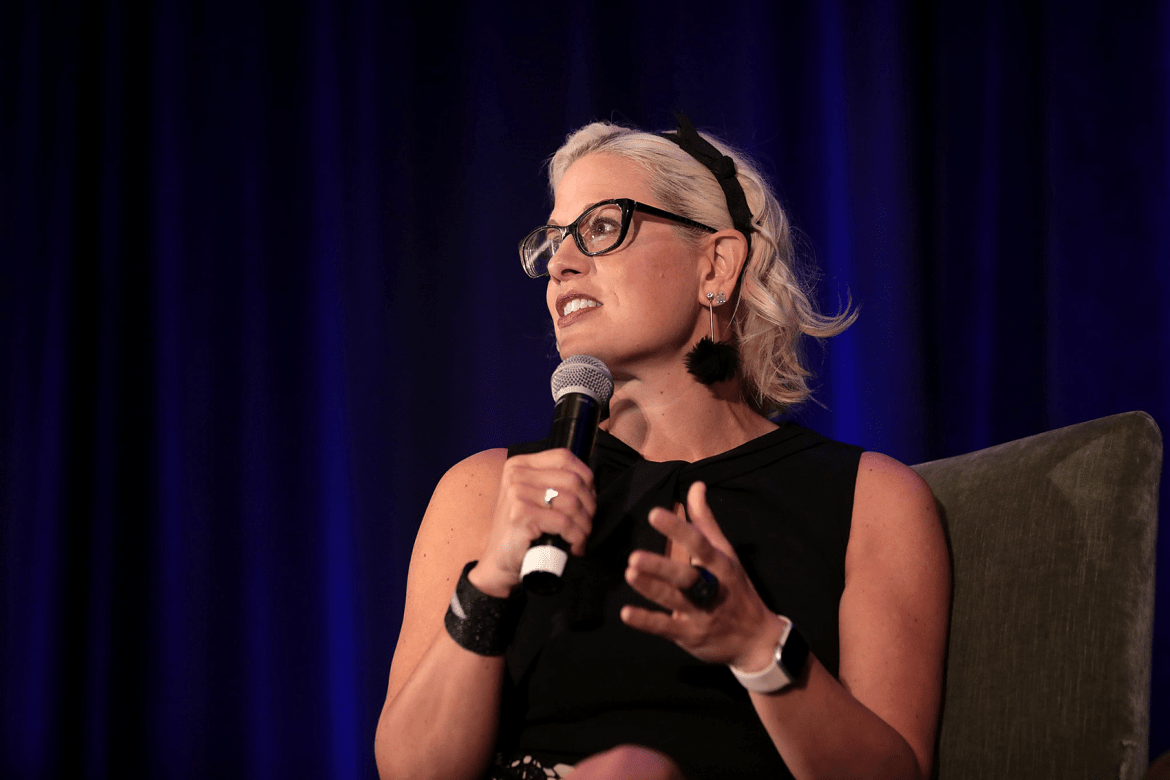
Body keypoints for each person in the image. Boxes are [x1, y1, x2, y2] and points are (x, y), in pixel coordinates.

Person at [374, 114, 950, 780]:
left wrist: (759, 647)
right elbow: (411, 771)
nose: (560, 264)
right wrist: (493, 579)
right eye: (554, 241)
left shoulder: (873, 499)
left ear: (717, 263)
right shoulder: (488, 489)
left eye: (600, 227)